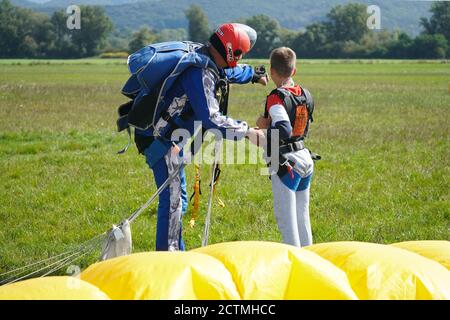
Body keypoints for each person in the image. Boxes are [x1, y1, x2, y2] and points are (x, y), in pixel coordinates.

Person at [133, 23, 267, 251]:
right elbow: (212, 119)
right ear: (231, 52)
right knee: (173, 202)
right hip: (160, 140)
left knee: (180, 200)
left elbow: (228, 72)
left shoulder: (203, 55)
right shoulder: (200, 72)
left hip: (171, 138)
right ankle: (170, 258)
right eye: (240, 53)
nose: (239, 58)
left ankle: (173, 251)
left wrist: (252, 74)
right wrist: (248, 132)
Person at [249, 47, 315, 247]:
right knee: (302, 220)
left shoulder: (276, 97)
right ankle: (311, 265)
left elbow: (284, 129)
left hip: (287, 165)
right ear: (293, 71)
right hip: (304, 158)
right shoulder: (304, 93)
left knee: (288, 226)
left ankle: (296, 269)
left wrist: (259, 135)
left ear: (272, 71)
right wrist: (266, 122)